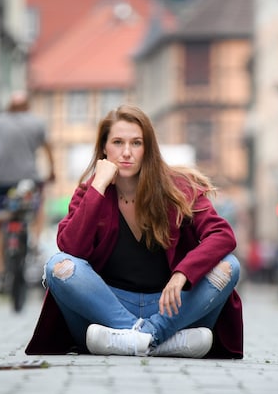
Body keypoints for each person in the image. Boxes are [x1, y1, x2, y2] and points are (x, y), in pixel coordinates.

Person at [25, 105, 243, 358]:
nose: (127, 152)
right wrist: (98, 187)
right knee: (57, 266)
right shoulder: (90, 193)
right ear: (104, 148)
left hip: (172, 306)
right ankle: (158, 341)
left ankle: (135, 338)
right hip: (107, 307)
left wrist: (183, 273)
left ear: (148, 149)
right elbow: (72, 248)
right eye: (118, 142)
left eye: (136, 143)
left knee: (230, 265)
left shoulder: (179, 188)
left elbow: (222, 235)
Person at [0, 91, 55, 292]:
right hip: (27, 181)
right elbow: (48, 148)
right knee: (38, 206)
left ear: (9, 107)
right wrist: (52, 172)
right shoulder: (37, 123)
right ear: (28, 106)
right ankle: (36, 243)